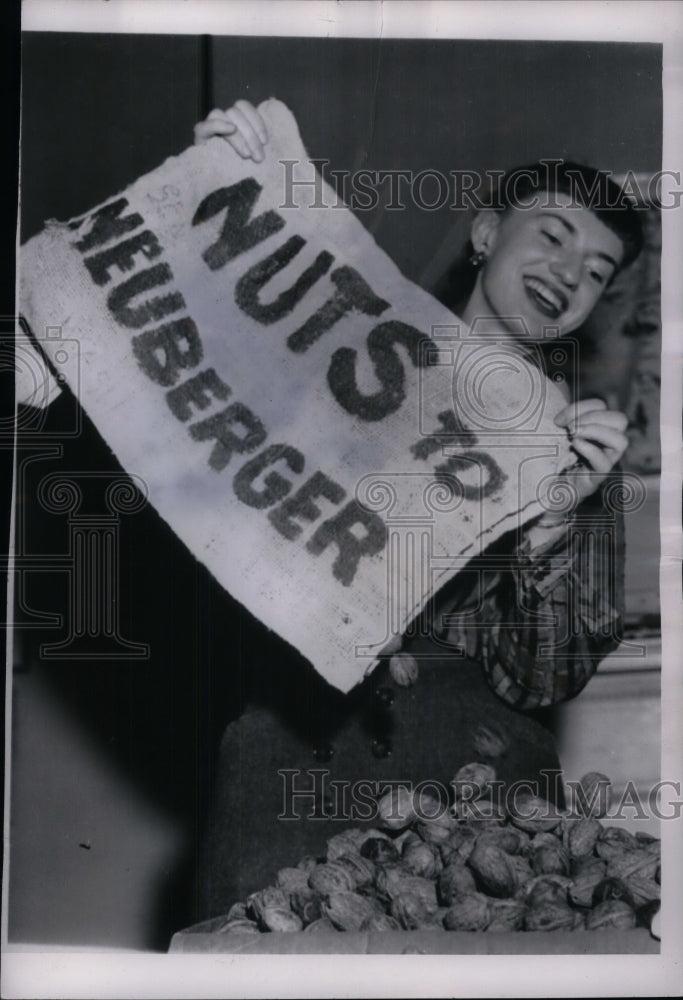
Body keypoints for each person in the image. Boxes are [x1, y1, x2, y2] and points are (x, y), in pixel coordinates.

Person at [188, 103, 644, 919]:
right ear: (483, 234)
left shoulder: (580, 453)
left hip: (481, 805)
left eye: (597, 269)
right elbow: (202, 377)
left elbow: (545, 681)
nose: (569, 272)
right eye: (550, 235)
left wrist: (551, 528)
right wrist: (218, 181)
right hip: (293, 760)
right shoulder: (339, 350)